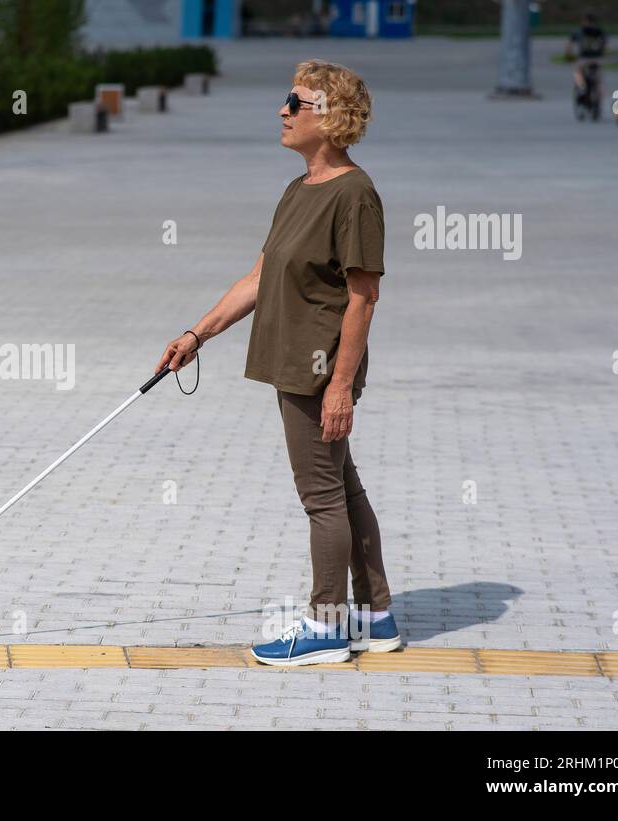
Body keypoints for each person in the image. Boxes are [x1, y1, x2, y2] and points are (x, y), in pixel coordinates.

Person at [155, 60, 400, 666]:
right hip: (294, 362)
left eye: (296, 101)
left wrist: (340, 385)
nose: (282, 110)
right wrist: (197, 333)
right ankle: (375, 615)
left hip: (318, 369)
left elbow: (364, 296)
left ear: (331, 117)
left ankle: (326, 627)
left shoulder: (354, 193)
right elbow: (262, 276)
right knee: (342, 485)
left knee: (320, 497)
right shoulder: (298, 191)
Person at [565, 12, 607, 110]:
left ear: (584, 21)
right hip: (597, 59)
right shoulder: (600, 31)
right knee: (598, 78)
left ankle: (581, 89)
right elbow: (605, 45)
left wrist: (568, 56)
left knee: (577, 73)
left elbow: (568, 45)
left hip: (584, 59)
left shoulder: (579, 31)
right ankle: (598, 95)